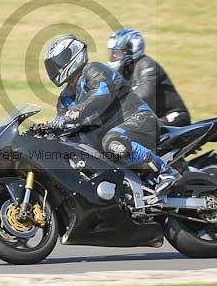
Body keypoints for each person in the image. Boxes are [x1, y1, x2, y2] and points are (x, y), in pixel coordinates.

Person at [44, 34, 178, 194]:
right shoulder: (65, 98)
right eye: (51, 65)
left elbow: (100, 94)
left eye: (58, 61)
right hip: (106, 135)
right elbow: (65, 127)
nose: (54, 68)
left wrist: (74, 113)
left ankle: (164, 172)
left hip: (138, 120)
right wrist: (47, 130)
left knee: (112, 142)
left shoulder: (94, 70)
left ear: (73, 54)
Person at [107, 28, 191, 127]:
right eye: (112, 53)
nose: (114, 57)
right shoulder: (123, 72)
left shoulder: (147, 65)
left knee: (139, 130)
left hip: (172, 116)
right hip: (151, 119)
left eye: (117, 53)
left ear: (130, 51)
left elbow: (144, 95)